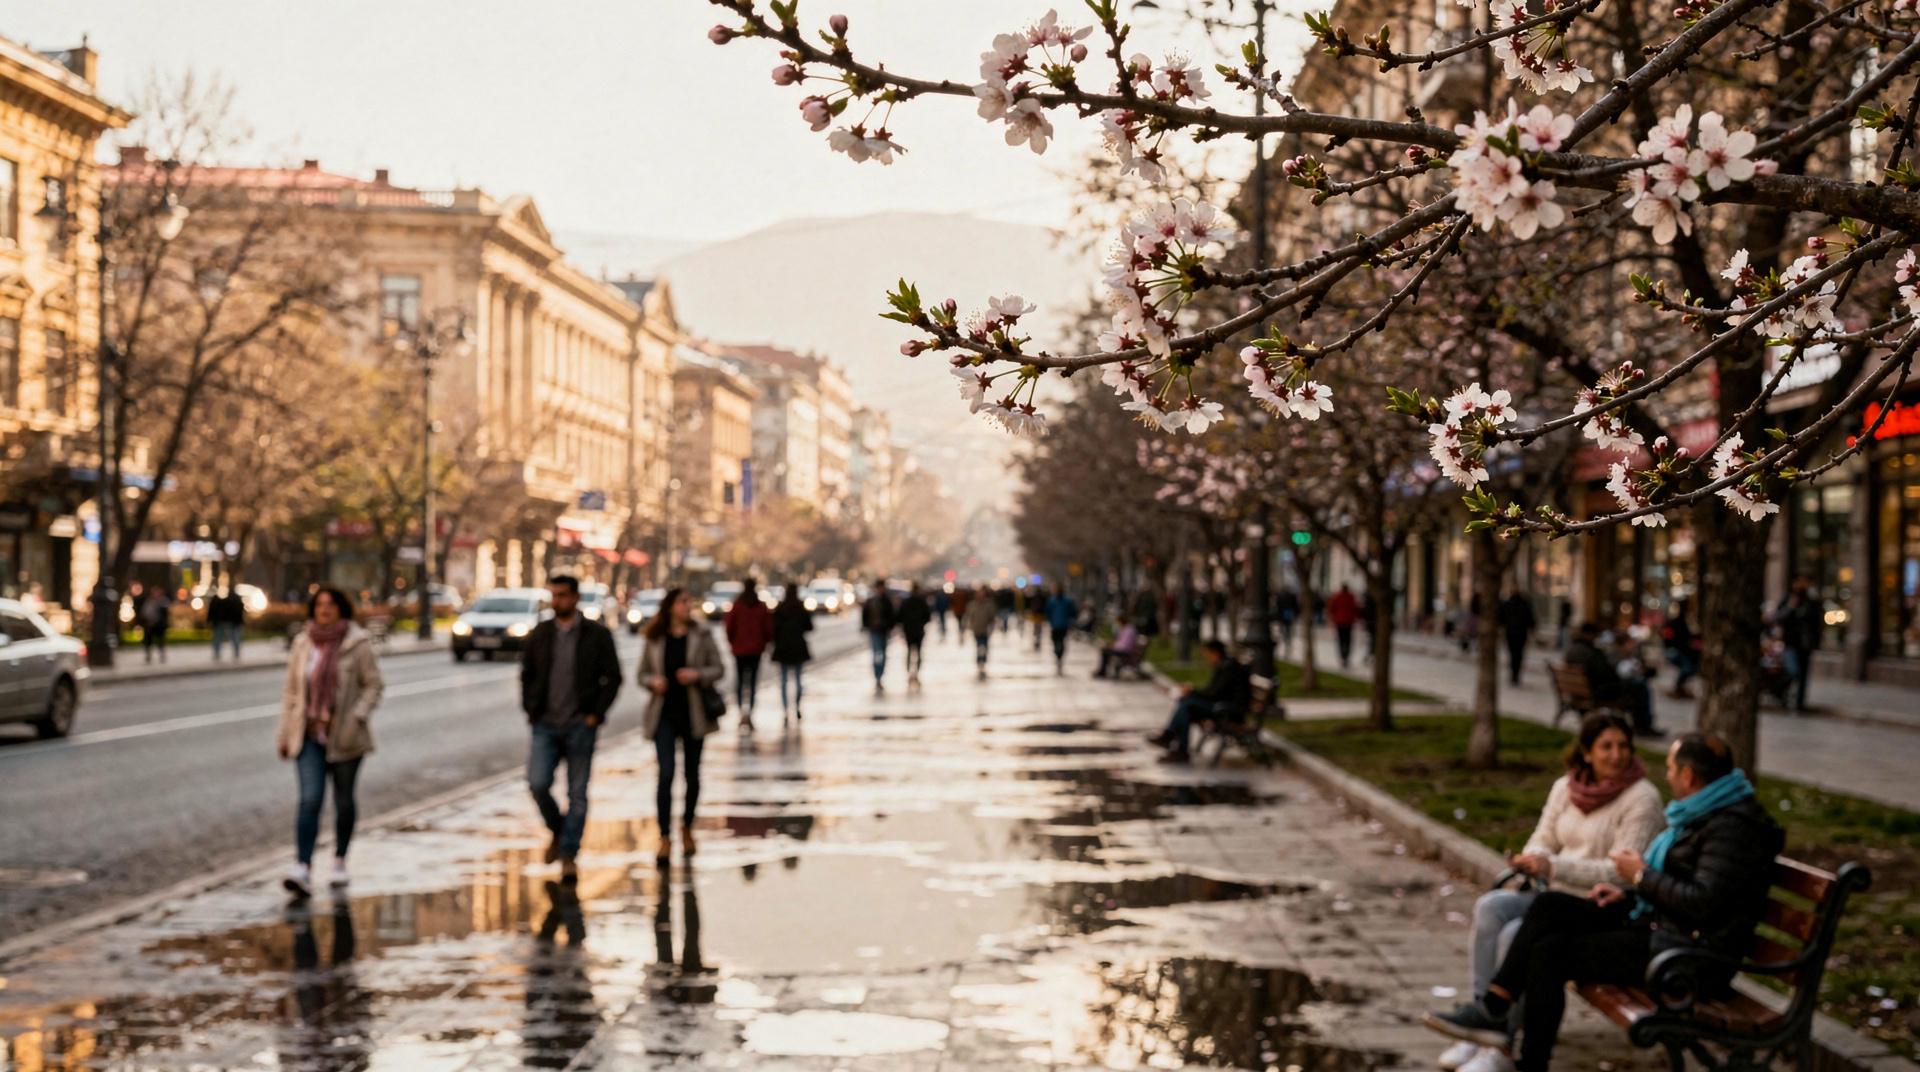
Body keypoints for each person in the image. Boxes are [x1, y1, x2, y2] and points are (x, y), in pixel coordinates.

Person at [1425, 733, 1784, 1072]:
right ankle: (1495, 1007)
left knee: (1549, 953)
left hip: (1688, 959)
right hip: (1666, 931)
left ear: (1689, 776)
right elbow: (1691, 888)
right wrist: (1631, 893)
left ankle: (1512, 1037)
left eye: (1672, 769)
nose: (1669, 775)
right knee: (1549, 906)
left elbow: (1704, 902)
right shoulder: (1710, 812)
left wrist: (1641, 877)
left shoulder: (1732, 829)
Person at [1433, 713, 1664, 1072]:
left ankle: (1502, 1042)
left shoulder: (1641, 799)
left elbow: (1620, 872)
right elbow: (1543, 837)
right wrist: (1534, 858)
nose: (1617, 755)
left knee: (1515, 934)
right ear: (1586, 752)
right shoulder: (1566, 787)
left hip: (1598, 904)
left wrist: (1554, 867)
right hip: (1551, 897)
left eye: (1623, 746)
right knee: (1490, 906)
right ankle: (1480, 1026)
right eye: (1606, 746)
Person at [276, 586, 385, 898]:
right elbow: (291, 693)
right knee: (310, 800)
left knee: (343, 801)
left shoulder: (357, 644)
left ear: (341, 609)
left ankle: (339, 860)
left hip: (345, 736)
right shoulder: (302, 642)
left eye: (330, 604)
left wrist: (357, 716)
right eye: (319, 605)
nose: (324, 610)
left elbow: (374, 685)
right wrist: (284, 734)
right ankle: (303, 867)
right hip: (307, 734)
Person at [520, 575, 623, 877]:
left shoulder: (596, 634)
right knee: (537, 784)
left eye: (563, 595)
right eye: (553, 596)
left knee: (577, 794)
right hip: (546, 725)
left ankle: (568, 854)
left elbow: (613, 678)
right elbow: (527, 674)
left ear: (576, 597)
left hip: (581, 725)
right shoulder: (541, 633)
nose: (557, 602)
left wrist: (594, 715)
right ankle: (560, 831)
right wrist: (531, 709)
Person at [640, 589, 726, 859]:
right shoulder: (655, 636)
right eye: (683, 602)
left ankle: (687, 827)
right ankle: (664, 836)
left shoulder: (701, 634)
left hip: (694, 713)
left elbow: (719, 668)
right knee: (665, 774)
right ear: (670, 607)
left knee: (692, 774)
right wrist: (652, 681)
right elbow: (641, 673)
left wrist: (697, 674)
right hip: (663, 713)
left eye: (689, 601)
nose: (688, 606)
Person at [1147, 640, 1252, 764]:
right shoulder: (1224, 665)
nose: (1206, 658)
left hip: (1228, 712)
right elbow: (1213, 691)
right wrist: (1191, 691)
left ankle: (1173, 741)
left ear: (1215, 653)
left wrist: (1192, 691)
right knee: (1186, 706)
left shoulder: (1229, 668)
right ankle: (1177, 746)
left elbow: (1214, 694)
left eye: (1207, 654)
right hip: (1222, 707)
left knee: (1187, 705)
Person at [1566, 622, 1660, 737]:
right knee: (1640, 686)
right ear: (1589, 634)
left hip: (1582, 691)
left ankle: (1641, 724)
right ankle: (1643, 726)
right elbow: (1605, 673)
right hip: (1599, 692)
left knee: (1637, 685)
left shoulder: (1572, 650)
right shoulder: (1590, 652)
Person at [723, 577, 774, 727]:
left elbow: (729, 626)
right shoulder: (760, 606)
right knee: (752, 683)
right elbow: (768, 628)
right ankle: (749, 711)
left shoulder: (737, 605)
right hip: (756, 649)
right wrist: (764, 642)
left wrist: (733, 642)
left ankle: (741, 711)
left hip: (740, 650)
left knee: (740, 682)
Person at [1774, 576, 1822, 712]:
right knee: (1794, 671)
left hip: (1805, 644)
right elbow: (1779, 618)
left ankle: (1800, 704)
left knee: (1803, 675)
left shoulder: (1811, 601)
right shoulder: (1788, 599)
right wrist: (1790, 608)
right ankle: (1779, 691)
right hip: (1791, 642)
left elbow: (1816, 623)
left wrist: (1815, 641)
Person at [771, 583, 814, 722]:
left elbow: (773, 629)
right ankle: (797, 707)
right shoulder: (800, 607)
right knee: (798, 680)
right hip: (798, 647)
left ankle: (785, 710)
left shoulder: (780, 608)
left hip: (783, 647)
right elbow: (809, 626)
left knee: (784, 680)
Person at [861, 578, 897, 692]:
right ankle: (877, 676)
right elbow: (865, 615)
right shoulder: (871, 601)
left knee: (882, 654)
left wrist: (889, 627)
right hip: (874, 631)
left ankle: (880, 675)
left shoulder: (886, 601)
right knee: (877, 654)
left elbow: (892, 615)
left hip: (883, 631)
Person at [1660, 598, 1700, 699]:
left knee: (1690, 668)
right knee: (1688, 668)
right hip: (1675, 651)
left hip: (1678, 651)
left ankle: (1679, 688)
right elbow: (1671, 639)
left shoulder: (1684, 621)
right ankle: (1678, 688)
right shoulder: (1678, 621)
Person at [1499, 589, 1536, 686]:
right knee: (1518, 654)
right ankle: (1515, 673)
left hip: (1511, 633)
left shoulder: (1508, 604)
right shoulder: (1523, 604)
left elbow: (1501, 619)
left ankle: (1514, 673)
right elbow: (1531, 619)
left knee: (1512, 654)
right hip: (1521, 634)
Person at [897, 581, 932, 683]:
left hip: (909, 631)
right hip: (918, 631)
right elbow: (928, 617)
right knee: (918, 652)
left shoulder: (906, 602)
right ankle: (916, 672)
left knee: (909, 652)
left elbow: (899, 617)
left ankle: (909, 671)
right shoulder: (922, 602)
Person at [964, 584, 998, 678]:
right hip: (976, 629)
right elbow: (969, 616)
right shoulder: (972, 605)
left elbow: (992, 617)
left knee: (983, 646)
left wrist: (991, 626)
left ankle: (983, 661)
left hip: (985, 630)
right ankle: (979, 662)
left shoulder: (988, 605)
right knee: (979, 646)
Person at [1043, 583, 1078, 674]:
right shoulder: (1052, 600)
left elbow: (1073, 611)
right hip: (1056, 624)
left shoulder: (1066, 600)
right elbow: (1047, 611)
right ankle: (1058, 655)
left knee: (1060, 641)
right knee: (1056, 641)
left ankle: (1059, 656)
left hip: (1063, 624)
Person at [1095, 614, 1144, 678]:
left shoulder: (1129, 630)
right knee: (1105, 651)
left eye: (1118, 622)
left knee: (1105, 652)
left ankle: (1102, 672)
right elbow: (1122, 642)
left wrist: (1113, 646)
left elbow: (1125, 644)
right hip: (1124, 650)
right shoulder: (1127, 628)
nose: (1117, 624)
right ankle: (1102, 671)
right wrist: (1113, 645)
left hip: (1125, 651)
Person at [209, 584, 247, 662]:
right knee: (233, 637)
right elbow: (240, 611)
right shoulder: (236, 600)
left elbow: (212, 611)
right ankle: (235, 652)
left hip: (224, 621)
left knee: (219, 637)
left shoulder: (217, 599)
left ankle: (218, 653)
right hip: (230, 622)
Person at [1327, 583, 1359, 668]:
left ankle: (1343, 656)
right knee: (1347, 640)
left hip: (1340, 622)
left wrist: (1333, 618)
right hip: (1347, 622)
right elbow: (1355, 608)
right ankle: (1345, 656)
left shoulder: (1337, 597)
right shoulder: (1349, 597)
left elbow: (1331, 608)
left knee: (1341, 640)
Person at [141, 586, 172, 664]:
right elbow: (144, 612)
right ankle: (148, 656)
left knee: (160, 641)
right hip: (149, 625)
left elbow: (165, 612)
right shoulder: (148, 601)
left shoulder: (163, 601)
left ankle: (162, 655)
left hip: (159, 625)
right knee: (148, 641)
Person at [1275, 589, 1301, 656]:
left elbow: (1296, 607)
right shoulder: (1281, 597)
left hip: (1286, 616)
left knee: (1286, 630)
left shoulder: (1285, 597)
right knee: (1285, 630)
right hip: (1283, 616)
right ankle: (1286, 640)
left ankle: (1286, 641)